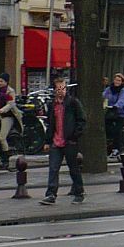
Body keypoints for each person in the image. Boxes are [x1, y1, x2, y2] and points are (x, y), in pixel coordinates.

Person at [40, 76, 86, 205]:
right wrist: (48, 141)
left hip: (69, 142)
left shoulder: (73, 103)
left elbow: (81, 120)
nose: (61, 91)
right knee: (53, 168)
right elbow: (50, 124)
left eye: (63, 88)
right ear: (55, 90)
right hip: (56, 141)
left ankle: (79, 192)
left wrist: (74, 136)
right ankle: (51, 194)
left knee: (73, 168)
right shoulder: (52, 105)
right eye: (58, 89)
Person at [0, 72, 22, 169]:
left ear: (6, 82)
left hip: (8, 116)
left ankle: (5, 159)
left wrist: (3, 109)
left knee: (2, 137)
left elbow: (11, 103)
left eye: (1, 81)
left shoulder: (9, 92)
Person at [103, 73, 124, 158]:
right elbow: (103, 96)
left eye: (119, 80)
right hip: (111, 113)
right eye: (115, 80)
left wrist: (117, 106)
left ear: (122, 82)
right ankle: (109, 145)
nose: (117, 82)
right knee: (106, 127)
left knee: (117, 130)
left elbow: (123, 100)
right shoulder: (109, 89)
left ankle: (117, 149)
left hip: (122, 114)